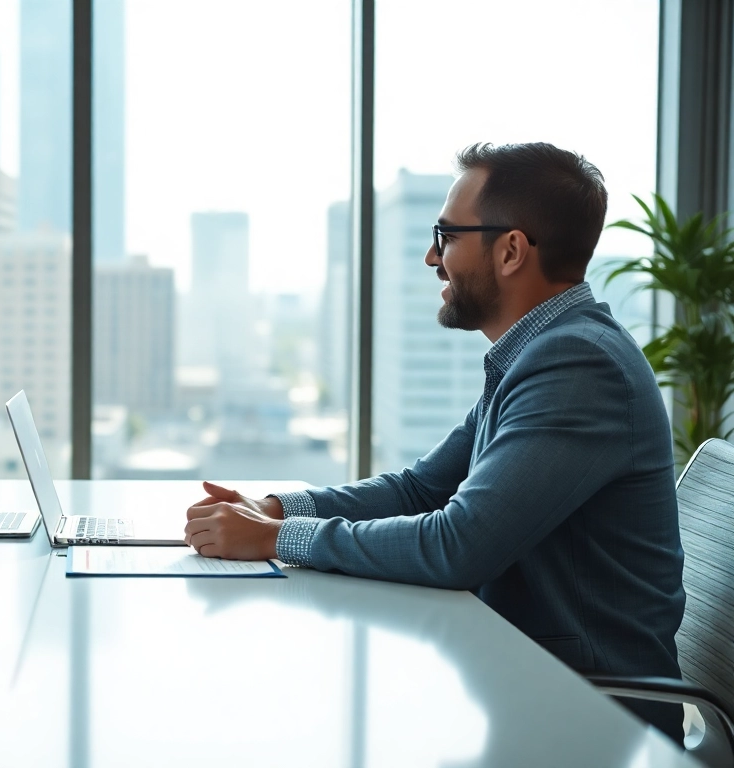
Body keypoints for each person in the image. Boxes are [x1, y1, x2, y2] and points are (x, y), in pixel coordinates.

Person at [184, 143, 686, 740]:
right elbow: (421, 488)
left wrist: (275, 539)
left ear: (510, 250)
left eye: (446, 235)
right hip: (521, 682)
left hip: (590, 718)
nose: (432, 257)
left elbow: (459, 544)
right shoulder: (540, 355)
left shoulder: (578, 365)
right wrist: (274, 509)